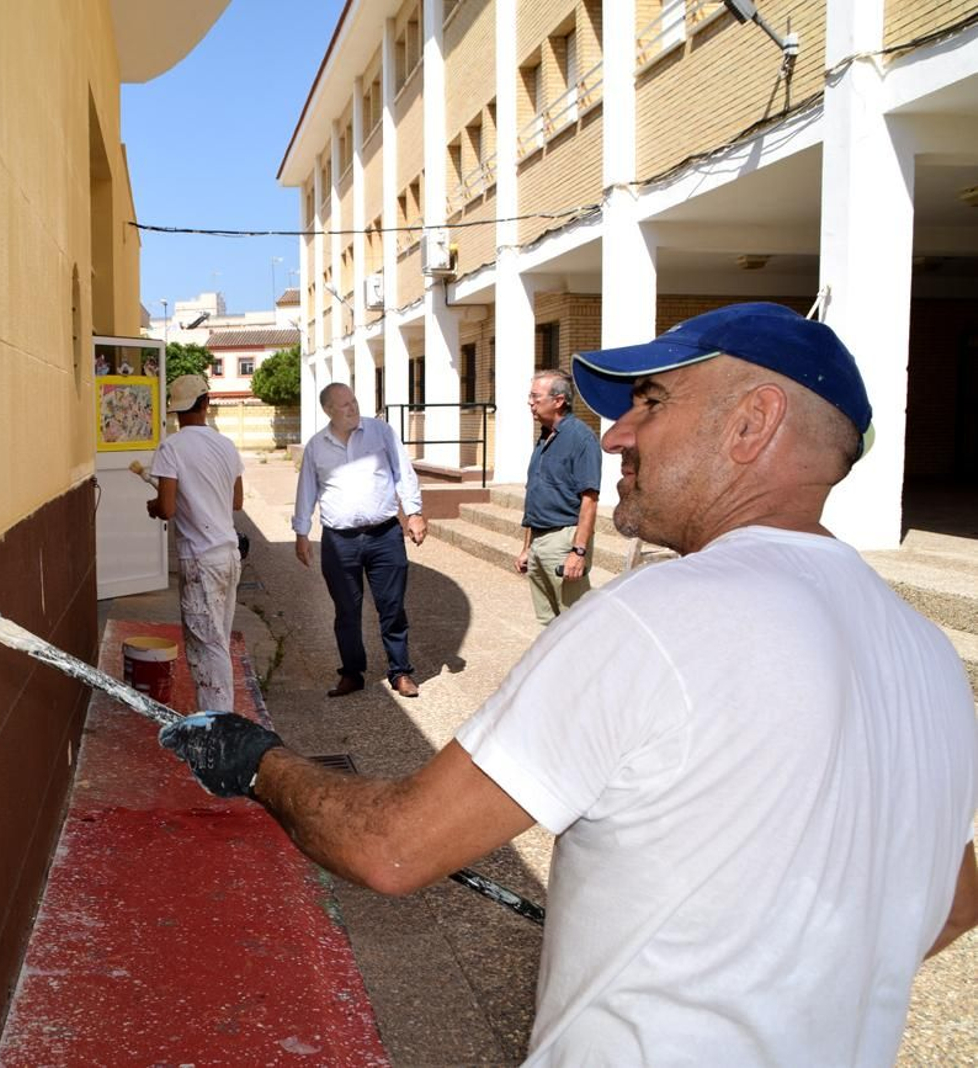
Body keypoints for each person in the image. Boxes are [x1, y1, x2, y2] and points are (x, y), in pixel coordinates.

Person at [160, 303, 978, 1063]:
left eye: (652, 402)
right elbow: (952, 898)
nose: (618, 435)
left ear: (753, 423)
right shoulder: (927, 653)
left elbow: (393, 847)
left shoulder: (660, 618)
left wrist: (259, 761)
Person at [292, 382, 428, 699]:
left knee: (392, 606)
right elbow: (306, 491)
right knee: (346, 611)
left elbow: (403, 472)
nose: (352, 409)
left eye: (354, 401)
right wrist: (301, 533)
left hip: (385, 536)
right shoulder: (317, 446)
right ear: (328, 410)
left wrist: (415, 513)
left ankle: (401, 671)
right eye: (344, 405)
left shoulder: (380, 432)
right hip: (340, 541)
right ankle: (352, 673)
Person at [146, 374, 245, 713]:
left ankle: (219, 725)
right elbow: (237, 501)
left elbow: (167, 508)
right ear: (206, 403)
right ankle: (217, 716)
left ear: (175, 411)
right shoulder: (226, 445)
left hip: (200, 561)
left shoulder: (171, 447)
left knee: (208, 646)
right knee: (217, 640)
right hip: (229, 556)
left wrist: (154, 507)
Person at [517, 370, 601, 624]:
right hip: (539, 538)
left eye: (535, 396)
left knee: (575, 622)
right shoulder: (544, 437)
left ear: (559, 400)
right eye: (529, 396)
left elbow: (590, 499)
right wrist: (526, 548)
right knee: (548, 623)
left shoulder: (581, 438)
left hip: (564, 539)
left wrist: (578, 551)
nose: (530, 402)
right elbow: (535, 495)